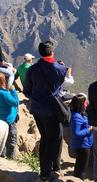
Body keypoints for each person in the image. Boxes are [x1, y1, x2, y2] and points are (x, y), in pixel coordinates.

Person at [24, 41, 67, 181]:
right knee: (54, 139)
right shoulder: (60, 68)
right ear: (52, 52)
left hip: (37, 109)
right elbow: (60, 84)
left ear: (40, 53)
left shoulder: (32, 69)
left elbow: (27, 90)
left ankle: (45, 169)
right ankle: (46, 173)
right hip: (51, 110)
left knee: (45, 138)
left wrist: (37, 98)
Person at [69, 93, 93, 180]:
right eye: (85, 102)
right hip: (82, 146)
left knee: (79, 166)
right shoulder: (76, 117)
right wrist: (89, 130)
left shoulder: (80, 113)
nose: (87, 104)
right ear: (81, 104)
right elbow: (76, 133)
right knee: (82, 169)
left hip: (84, 144)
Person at [0, 72, 19, 159]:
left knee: (1, 141)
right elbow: (15, 103)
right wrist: (13, 90)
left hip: (1, 119)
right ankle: (10, 159)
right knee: (11, 141)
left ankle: (2, 156)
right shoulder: (4, 94)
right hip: (8, 121)